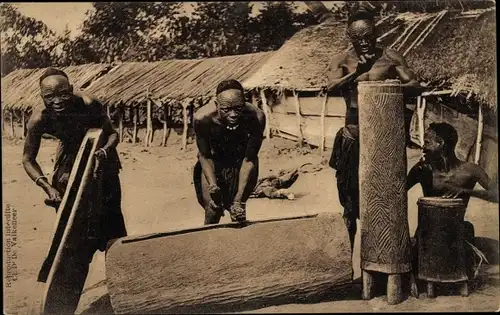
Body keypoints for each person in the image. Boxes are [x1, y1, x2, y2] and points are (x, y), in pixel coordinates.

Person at [22, 68, 127, 314]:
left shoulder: (89, 105)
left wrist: (103, 152)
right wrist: (47, 187)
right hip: (69, 167)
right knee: (73, 233)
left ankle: (121, 286)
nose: (57, 101)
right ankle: (62, 294)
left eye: (62, 94)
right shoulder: (39, 119)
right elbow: (28, 159)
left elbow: (112, 134)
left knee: (112, 226)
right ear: (41, 97)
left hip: (103, 161)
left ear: (71, 91)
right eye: (50, 96)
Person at [325, 7, 422, 252]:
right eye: (358, 38)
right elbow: (331, 89)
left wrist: (388, 86)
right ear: (350, 37)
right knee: (349, 202)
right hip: (353, 135)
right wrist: (357, 74)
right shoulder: (342, 61)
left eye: (368, 36)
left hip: (385, 137)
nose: (364, 43)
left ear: (376, 33)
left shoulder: (391, 57)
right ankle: (348, 268)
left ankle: (389, 255)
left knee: (387, 199)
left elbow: (415, 85)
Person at [407, 122, 498, 278]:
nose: (423, 147)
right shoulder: (423, 170)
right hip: (427, 236)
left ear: (441, 144)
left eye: (427, 142)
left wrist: (467, 191)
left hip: (455, 235)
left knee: (466, 230)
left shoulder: (470, 170)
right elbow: (397, 192)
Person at [193, 79, 266, 224]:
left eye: (238, 108)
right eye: (226, 109)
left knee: (238, 213)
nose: (233, 115)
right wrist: (213, 186)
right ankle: (208, 244)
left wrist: (239, 199)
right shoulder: (203, 119)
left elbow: (249, 159)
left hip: (242, 164)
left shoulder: (256, 117)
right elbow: (205, 155)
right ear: (217, 104)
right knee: (212, 210)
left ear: (244, 102)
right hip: (213, 162)